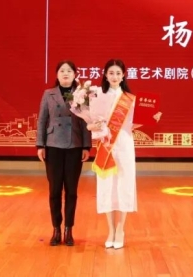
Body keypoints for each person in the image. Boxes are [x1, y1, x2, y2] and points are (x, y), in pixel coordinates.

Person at [36, 60, 91, 246]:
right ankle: (56, 229)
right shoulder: (48, 94)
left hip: (74, 146)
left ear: (75, 74)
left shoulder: (81, 94)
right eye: (62, 71)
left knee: (71, 191)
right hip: (53, 145)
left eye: (69, 71)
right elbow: (42, 120)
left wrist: (86, 146)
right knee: (54, 190)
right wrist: (40, 145)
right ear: (57, 75)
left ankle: (68, 229)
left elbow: (86, 121)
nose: (65, 73)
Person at [87, 59, 138, 250]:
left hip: (124, 144)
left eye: (118, 73)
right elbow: (91, 122)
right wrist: (92, 126)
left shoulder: (130, 99)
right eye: (111, 73)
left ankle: (120, 229)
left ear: (123, 75)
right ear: (105, 75)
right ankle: (110, 230)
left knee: (124, 184)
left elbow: (134, 124)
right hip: (106, 144)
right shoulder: (97, 96)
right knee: (106, 185)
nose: (114, 76)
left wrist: (151, 118)